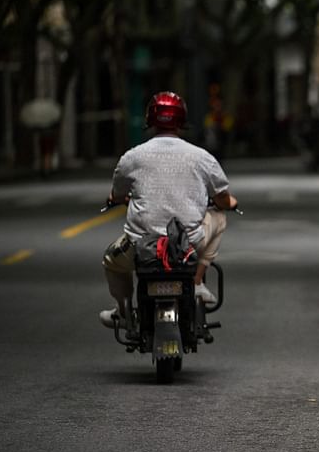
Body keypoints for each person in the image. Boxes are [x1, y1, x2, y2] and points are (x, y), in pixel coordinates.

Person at [99, 91, 239, 328]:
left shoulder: (132, 157)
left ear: (150, 120)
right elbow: (222, 199)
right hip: (189, 245)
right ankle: (196, 282)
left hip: (140, 246)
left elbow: (118, 193)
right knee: (219, 217)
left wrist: (117, 198)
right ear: (182, 120)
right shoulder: (201, 156)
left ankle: (123, 313)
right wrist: (230, 204)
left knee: (110, 261)